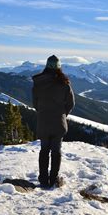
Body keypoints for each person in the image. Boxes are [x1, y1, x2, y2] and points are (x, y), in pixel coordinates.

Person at [32, 55, 75, 188]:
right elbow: (71, 103)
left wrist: (43, 113)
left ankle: (43, 179)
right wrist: (62, 114)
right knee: (56, 151)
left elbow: (35, 104)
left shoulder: (38, 83)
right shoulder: (64, 83)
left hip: (43, 122)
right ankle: (53, 179)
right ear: (59, 67)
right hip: (59, 123)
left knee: (44, 150)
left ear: (46, 66)